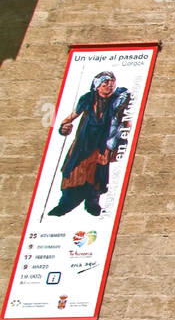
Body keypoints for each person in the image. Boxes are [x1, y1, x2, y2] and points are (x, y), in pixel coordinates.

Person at [47, 71, 131, 217]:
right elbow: (70, 118)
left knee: (98, 172)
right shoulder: (88, 99)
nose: (109, 87)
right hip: (84, 141)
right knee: (74, 170)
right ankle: (65, 203)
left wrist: (122, 139)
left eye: (112, 83)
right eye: (105, 84)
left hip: (103, 141)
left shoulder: (118, 100)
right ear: (97, 86)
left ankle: (92, 202)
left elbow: (126, 121)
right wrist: (64, 127)